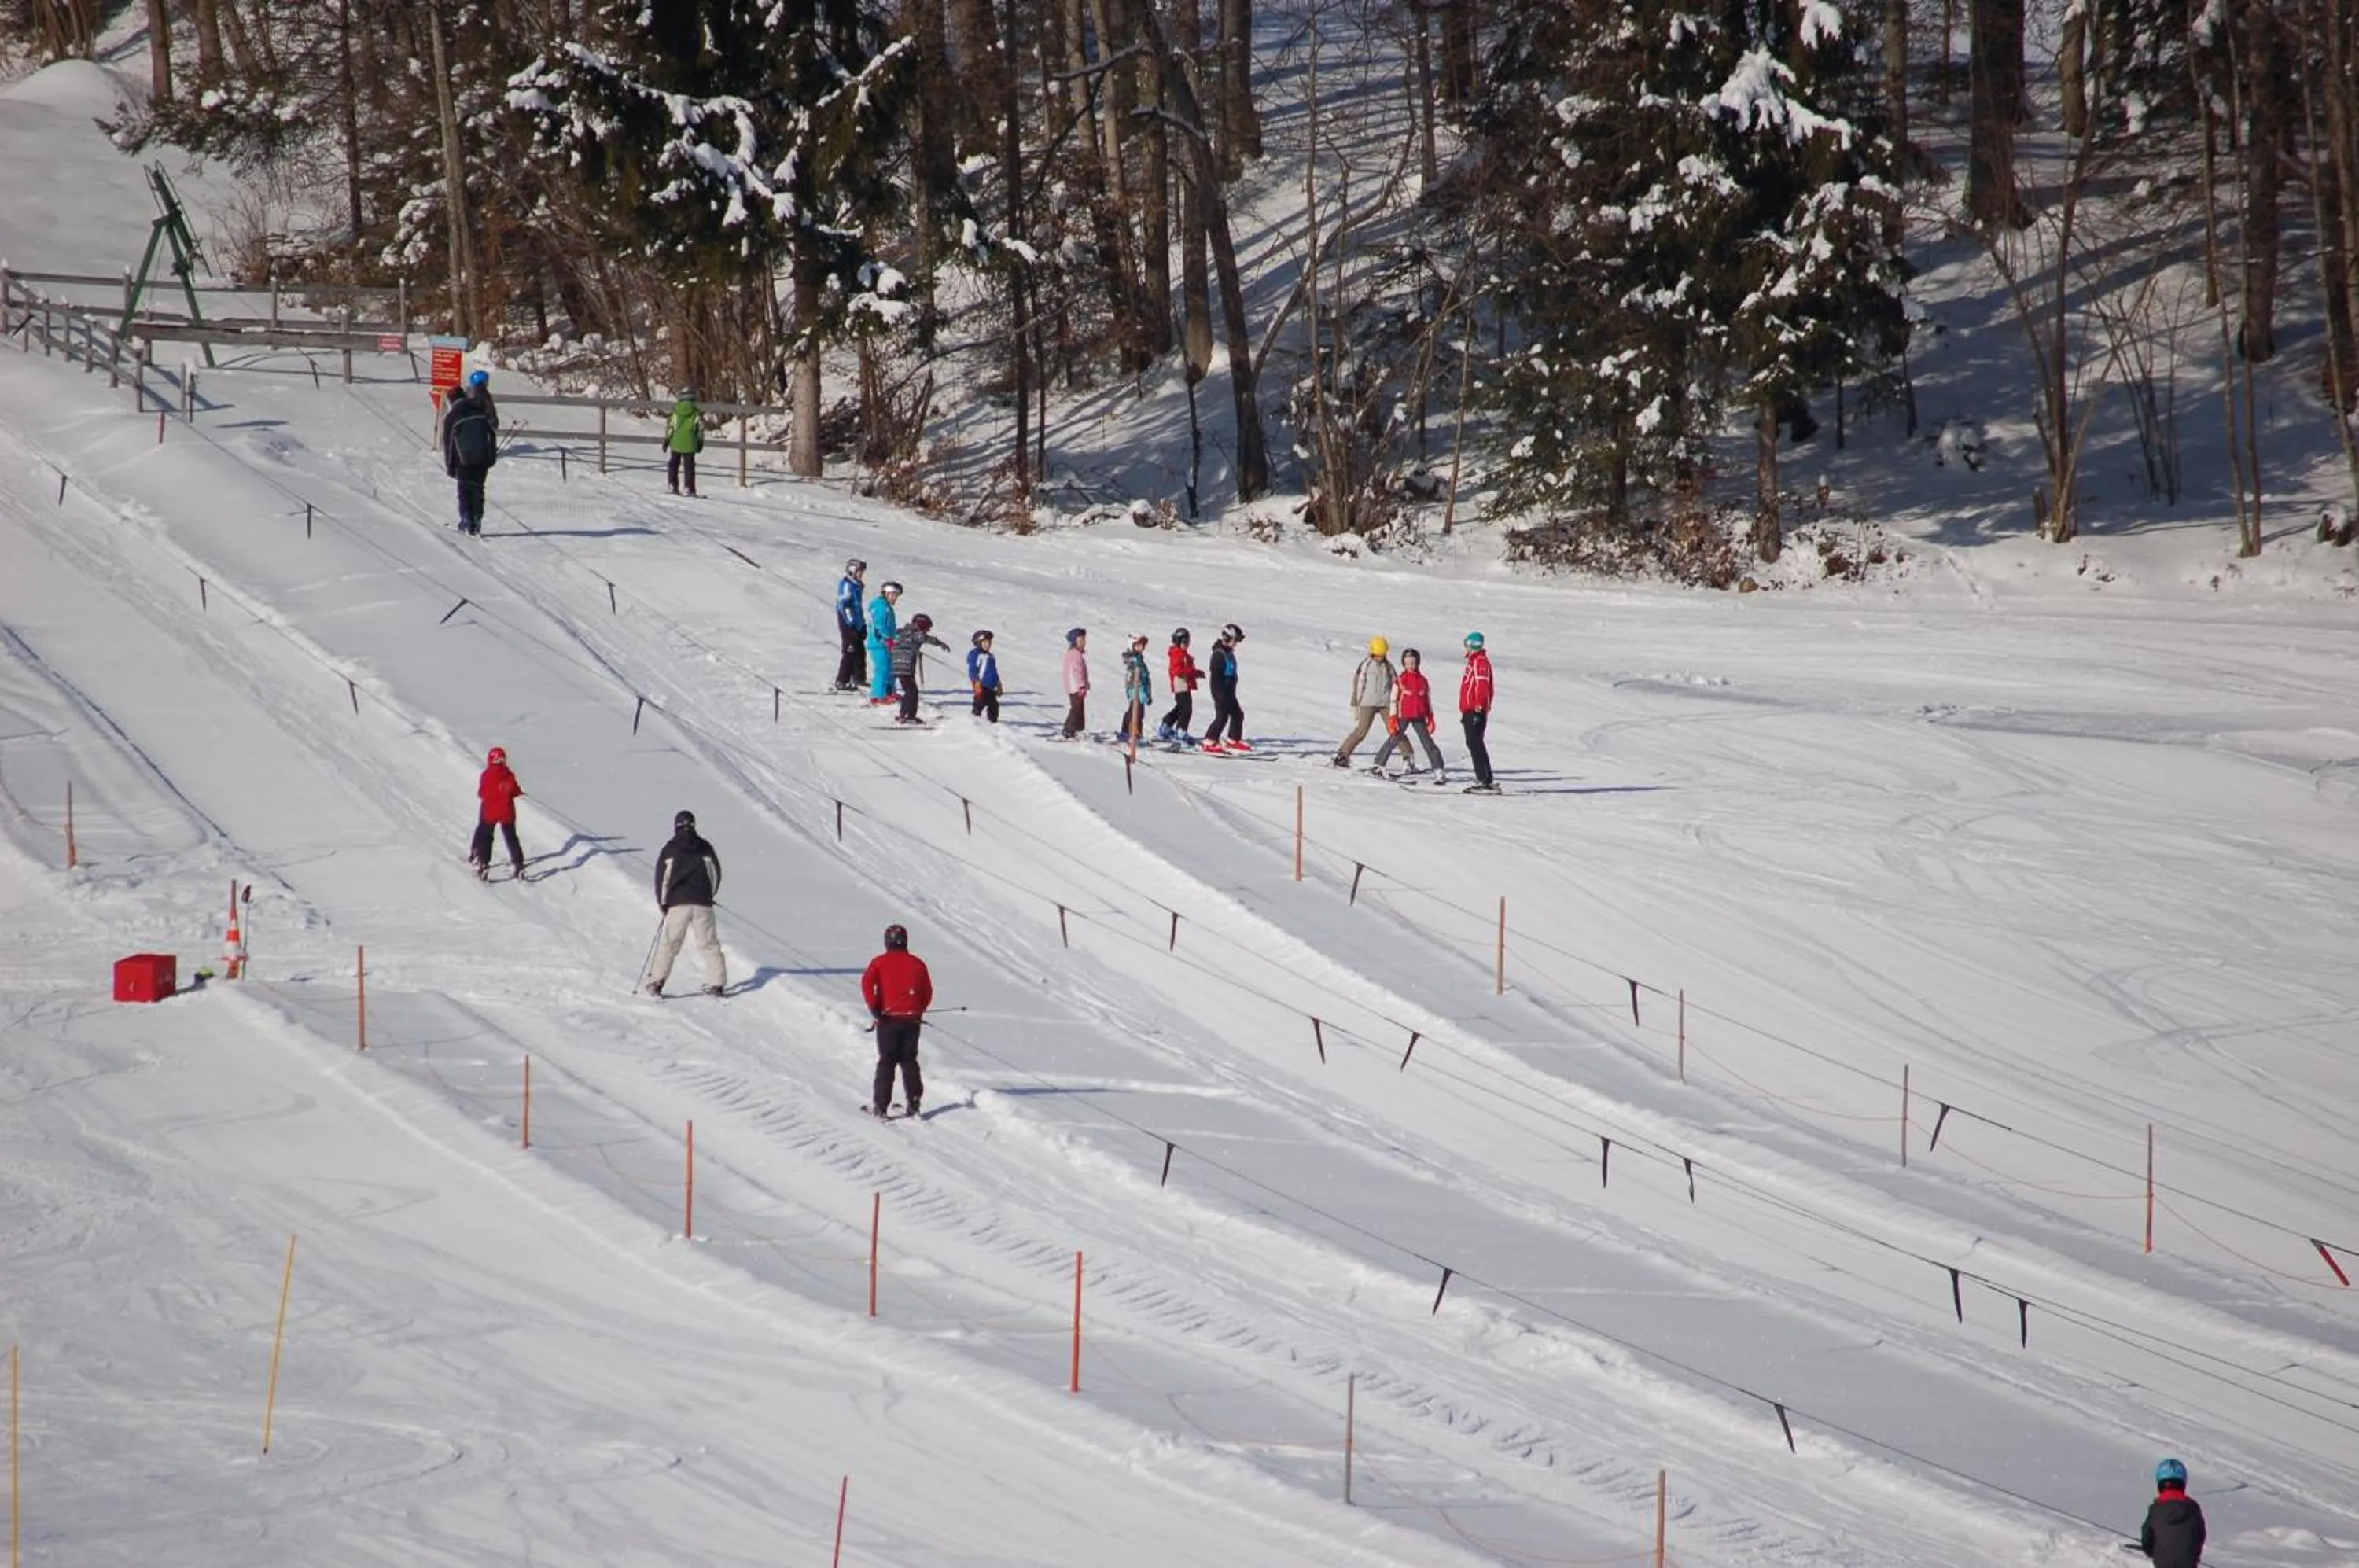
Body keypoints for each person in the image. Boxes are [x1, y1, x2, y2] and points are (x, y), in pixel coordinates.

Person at [644, 809, 726, 997]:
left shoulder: (670, 849)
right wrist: (708, 894)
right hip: (703, 904)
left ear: (676, 826)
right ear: (694, 825)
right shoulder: (705, 847)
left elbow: (661, 879)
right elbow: (715, 873)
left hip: (678, 904)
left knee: (670, 944)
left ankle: (656, 982)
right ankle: (717, 983)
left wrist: (663, 903)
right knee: (709, 944)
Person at [861, 922, 934, 1118]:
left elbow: (867, 983)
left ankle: (881, 1107)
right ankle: (915, 1102)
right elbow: (927, 992)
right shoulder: (918, 964)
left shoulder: (879, 962)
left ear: (887, 942)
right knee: (909, 1060)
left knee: (887, 1061)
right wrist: (919, 1010)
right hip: (912, 1020)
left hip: (887, 1020)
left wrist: (875, 1008)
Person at [1370, 649, 1448, 783]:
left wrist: (1430, 716)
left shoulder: (1423, 681)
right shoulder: (1400, 681)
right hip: (1403, 715)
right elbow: (1393, 700)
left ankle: (1439, 769)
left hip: (1419, 715)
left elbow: (1427, 699)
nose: (1410, 666)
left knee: (1427, 742)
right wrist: (1393, 717)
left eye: (1413, 663)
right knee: (1394, 739)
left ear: (1417, 663)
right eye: (1407, 664)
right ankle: (1378, 765)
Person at [439, 369, 499, 536]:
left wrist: (450, 466)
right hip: (482, 458)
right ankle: (477, 519)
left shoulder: (451, 417)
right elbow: (491, 433)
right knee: (478, 489)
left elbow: (449, 444)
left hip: (463, 459)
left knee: (464, 489)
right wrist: (491, 456)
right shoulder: (479, 410)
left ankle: (467, 520)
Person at [1333, 636, 1397, 767]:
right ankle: (1342, 755)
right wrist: (1355, 702)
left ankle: (1408, 757)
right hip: (1368, 703)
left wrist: (1397, 703)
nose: (1379, 658)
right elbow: (1358, 684)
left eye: (1382, 655)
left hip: (1385, 703)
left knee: (1395, 731)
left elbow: (1396, 684)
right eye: (1377, 655)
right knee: (1361, 731)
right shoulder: (1366, 665)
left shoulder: (1389, 667)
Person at [469, 745, 526, 881]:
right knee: (511, 837)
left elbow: (482, 793)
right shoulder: (508, 774)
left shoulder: (487, 775)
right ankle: (518, 863)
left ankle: (483, 862)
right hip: (507, 812)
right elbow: (516, 790)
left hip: (490, 812)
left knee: (487, 836)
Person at [2140, 1459, 2206, 1567]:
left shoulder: (2155, 1510)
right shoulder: (2193, 1508)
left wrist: (2151, 1550)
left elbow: (2147, 1537)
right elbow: (2200, 1535)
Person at [889, 612, 949, 724]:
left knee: (910, 691)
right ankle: (907, 715)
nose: (928, 631)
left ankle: (906, 714)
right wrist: (940, 643)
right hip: (906, 666)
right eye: (927, 628)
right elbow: (925, 638)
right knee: (912, 691)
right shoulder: (916, 633)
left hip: (896, 665)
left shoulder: (901, 632)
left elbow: (900, 643)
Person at [1200, 623, 1249, 753]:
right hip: (1220, 691)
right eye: (1235, 641)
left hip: (1229, 691)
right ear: (1227, 638)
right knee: (1222, 716)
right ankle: (1209, 740)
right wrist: (1220, 694)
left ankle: (1234, 738)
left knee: (1238, 714)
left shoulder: (1228, 653)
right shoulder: (1219, 654)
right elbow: (1216, 677)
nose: (1236, 644)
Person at [1459, 631, 1498, 793]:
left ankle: (1484, 780)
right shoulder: (1474, 661)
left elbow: (1482, 687)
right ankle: (1485, 778)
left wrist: (1479, 707)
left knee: (1475, 743)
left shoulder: (1480, 662)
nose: (1465, 648)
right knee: (1474, 743)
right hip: (1470, 709)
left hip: (1475, 710)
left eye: (1467, 645)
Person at [1159, 628, 1198, 745]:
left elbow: (1185, 669)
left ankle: (1166, 725)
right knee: (1186, 708)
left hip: (1184, 684)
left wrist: (1195, 672)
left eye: (1188, 642)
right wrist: (1191, 672)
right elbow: (1177, 670)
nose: (1187, 645)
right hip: (1180, 684)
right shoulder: (1177, 653)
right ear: (1178, 641)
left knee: (1181, 707)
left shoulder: (1182, 654)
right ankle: (1181, 730)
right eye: (1185, 642)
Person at [834, 558, 869, 690]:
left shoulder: (856, 585)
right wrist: (851, 623)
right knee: (850, 650)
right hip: (847, 622)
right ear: (852, 571)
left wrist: (862, 624)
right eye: (860, 572)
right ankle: (842, 680)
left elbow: (858, 608)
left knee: (860, 651)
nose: (861, 575)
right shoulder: (847, 584)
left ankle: (859, 678)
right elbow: (844, 605)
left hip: (856, 622)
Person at [866, 580, 903, 703]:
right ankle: (878, 696)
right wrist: (887, 638)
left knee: (890, 668)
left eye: (896, 596)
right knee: (882, 669)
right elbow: (879, 625)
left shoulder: (887, 607)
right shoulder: (881, 606)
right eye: (893, 595)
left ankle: (889, 692)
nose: (895, 599)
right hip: (879, 644)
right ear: (886, 594)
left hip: (885, 643)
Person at [664, 385, 705, 496]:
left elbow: (671, 427)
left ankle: (672, 485)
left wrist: (667, 440)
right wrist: (700, 442)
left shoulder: (676, 412)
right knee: (689, 466)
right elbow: (700, 429)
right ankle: (689, 488)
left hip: (676, 442)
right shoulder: (696, 413)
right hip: (690, 443)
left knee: (673, 464)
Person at [1120, 634, 1154, 745]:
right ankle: (1134, 734)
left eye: (1142, 645)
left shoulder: (1139, 659)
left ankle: (1127, 731)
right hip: (1136, 690)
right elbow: (1131, 675)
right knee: (1136, 713)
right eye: (1138, 645)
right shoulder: (1133, 659)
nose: (1142, 648)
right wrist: (1135, 680)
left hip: (1141, 690)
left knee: (1136, 712)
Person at [1061, 628, 1090, 739]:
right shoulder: (1075, 654)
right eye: (1081, 640)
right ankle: (1069, 730)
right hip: (1076, 687)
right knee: (1076, 709)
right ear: (1074, 642)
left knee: (1078, 709)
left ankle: (1077, 729)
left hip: (1076, 687)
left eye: (1084, 640)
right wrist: (1081, 685)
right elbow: (1076, 672)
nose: (1083, 643)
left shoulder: (1075, 654)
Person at [967, 629, 1001, 723]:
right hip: (981, 685)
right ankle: (973, 721)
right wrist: (976, 682)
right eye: (985, 642)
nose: (988, 645)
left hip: (991, 687)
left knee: (994, 705)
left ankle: (993, 723)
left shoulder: (991, 656)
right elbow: (972, 670)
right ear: (978, 643)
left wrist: (998, 684)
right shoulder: (976, 654)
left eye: (990, 642)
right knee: (980, 703)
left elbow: (994, 671)